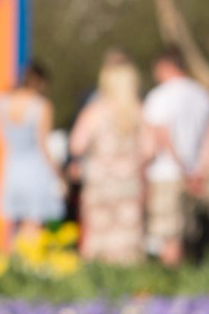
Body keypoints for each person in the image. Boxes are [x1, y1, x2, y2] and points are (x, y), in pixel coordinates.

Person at [142, 47, 209, 265]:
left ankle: (171, 288)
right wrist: (201, 170)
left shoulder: (159, 96)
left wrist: (183, 168)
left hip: (167, 173)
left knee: (168, 235)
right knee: (188, 233)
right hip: (196, 175)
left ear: (165, 67)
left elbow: (161, 137)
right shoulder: (204, 95)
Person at [68, 53, 146, 264]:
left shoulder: (94, 111)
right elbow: (149, 150)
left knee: (97, 237)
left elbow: (76, 145)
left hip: (99, 181)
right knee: (127, 241)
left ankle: (94, 289)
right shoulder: (137, 111)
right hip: (129, 183)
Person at [0, 63, 64, 242]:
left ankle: (15, 262)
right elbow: (43, 145)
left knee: (17, 223)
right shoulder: (41, 106)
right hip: (35, 168)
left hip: (12, 167)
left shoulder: (0, 102)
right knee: (34, 222)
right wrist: (58, 174)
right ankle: (29, 264)